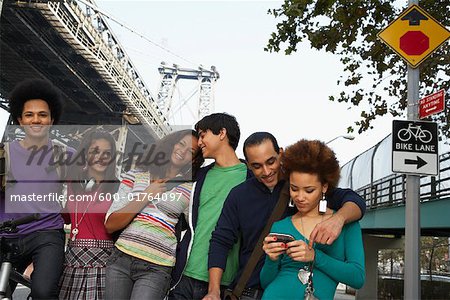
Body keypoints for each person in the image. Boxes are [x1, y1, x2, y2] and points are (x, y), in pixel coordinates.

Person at [206, 132, 366, 300]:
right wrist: (213, 290)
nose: (266, 171)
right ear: (249, 165)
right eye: (257, 166)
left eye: (271, 161)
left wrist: (338, 220)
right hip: (247, 292)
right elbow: (220, 241)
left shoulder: (305, 180)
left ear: (280, 154)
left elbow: (355, 201)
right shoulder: (240, 196)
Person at [104, 129, 204, 299]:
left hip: (157, 266)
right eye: (181, 144)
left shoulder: (191, 189)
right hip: (121, 258)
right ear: (171, 143)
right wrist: (146, 195)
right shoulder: (136, 174)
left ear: (194, 160)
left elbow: (198, 228)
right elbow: (111, 224)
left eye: (191, 151)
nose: (182, 151)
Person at [260, 139, 365, 299]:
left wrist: (315, 256)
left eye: (309, 190)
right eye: (294, 189)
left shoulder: (345, 224)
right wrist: (271, 260)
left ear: (324, 186)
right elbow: (266, 282)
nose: (300, 197)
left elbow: (357, 278)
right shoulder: (280, 226)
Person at [169, 113, 252, 300]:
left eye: (203, 134)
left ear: (221, 133)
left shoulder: (251, 179)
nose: (199, 142)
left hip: (223, 283)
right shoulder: (199, 175)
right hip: (184, 274)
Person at [0, 79, 69, 299]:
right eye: (29, 115)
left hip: (45, 232)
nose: (36, 120)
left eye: (42, 114)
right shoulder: (3, 153)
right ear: (20, 120)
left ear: (52, 119)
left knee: (44, 291)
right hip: (5, 232)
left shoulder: (66, 155)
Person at [59, 129, 119, 300]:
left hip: (102, 263)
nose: (101, 157)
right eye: (95, 151)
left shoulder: (118, 187)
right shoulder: (73, 183)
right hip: (72, 260)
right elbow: (67, 217)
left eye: (107, 153)